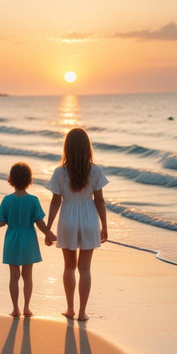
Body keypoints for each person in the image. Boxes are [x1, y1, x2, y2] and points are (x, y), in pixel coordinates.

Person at [45, 128, 109, 321]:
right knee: (85, 268)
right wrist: (104, 226)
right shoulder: (95, 171)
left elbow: (56, 201)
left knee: (69, 267)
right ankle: (82, 312)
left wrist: (48, 228)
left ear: (67, 148)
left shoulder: (60, 172)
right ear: (87, 148)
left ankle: (71, 309)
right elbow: (100, 201)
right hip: (89, 218)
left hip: (68, 219)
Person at [0, 162, 56, 318]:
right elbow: (39, 222)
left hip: (12, 240)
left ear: (11, 180)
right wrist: (48, 233)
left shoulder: (7, 200)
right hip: (29, 239)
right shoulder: (33, 200)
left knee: (14, 276)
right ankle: (27, 308)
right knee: (27, 276)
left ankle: (15, 309)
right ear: (29, 180)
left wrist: (8, 219)